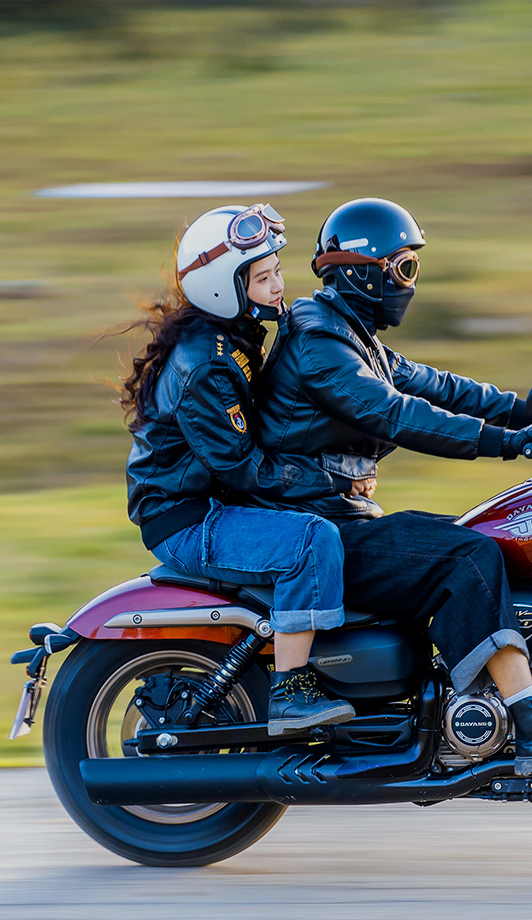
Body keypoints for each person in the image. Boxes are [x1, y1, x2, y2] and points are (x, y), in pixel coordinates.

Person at [252, 197, 532, 775]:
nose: (410, 282)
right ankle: (531, 724)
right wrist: (513, 443)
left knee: (486, 537)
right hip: (316, 526)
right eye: (404, 267)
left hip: (340, 517)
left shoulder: (349, 333)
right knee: (468, 555)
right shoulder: (318, 343)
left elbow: (440, 387)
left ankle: (488, 699)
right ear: (363, 271)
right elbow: (396, 414)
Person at [120, 203, 354, 735]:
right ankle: (292, 693)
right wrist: (329, 480)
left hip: (207, 502)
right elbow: (240, 466)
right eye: (263, 278)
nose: (279, 286)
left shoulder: (232, 337)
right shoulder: (206, 362)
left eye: (277, 271)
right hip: (186, 518)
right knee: (310, 541)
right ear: (223, 288)